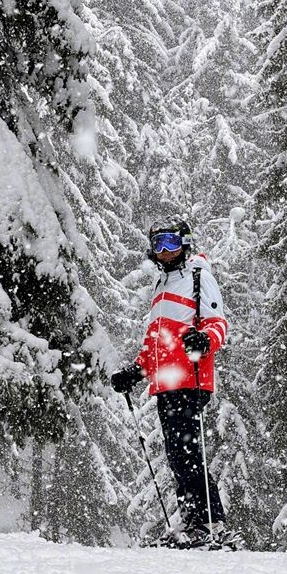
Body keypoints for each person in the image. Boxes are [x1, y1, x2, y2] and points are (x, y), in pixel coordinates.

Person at [111, 216, 228, 543]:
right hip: (166, 382)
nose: (164, 251)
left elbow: (218, 323)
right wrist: (135, 372)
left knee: (187, 453)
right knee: (177, 455)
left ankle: (209, 524)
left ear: (184, 243)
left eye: (171, 243)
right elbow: (155, 342)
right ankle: (192, 523)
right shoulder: (161, 286)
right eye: (158, 244)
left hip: (191, 377)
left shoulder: (198, 276)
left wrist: (204, 340)